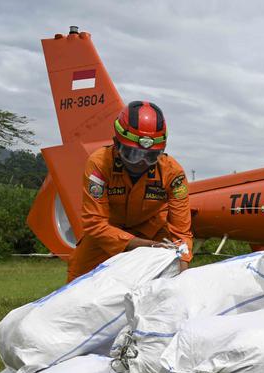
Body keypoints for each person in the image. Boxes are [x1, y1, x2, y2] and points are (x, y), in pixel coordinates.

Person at [66, 101, 193, 281]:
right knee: (76, 285)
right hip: (106, 233)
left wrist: (181, 274)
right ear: (116, 144)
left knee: (165, 282)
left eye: (151, 156)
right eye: (133, 154)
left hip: (153, 233)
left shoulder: (173, 173)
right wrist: (144, 246)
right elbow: (95, 222)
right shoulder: (99, 164)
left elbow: (181, 233)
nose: (141, 162)